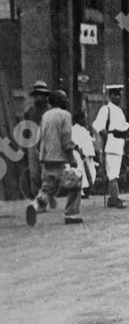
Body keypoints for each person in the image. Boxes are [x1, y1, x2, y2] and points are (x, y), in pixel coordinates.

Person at [26, 90, 82, 226]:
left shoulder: (46, 116)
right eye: (65, 98)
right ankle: (72, 214)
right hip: (60, 158)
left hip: (46, 158)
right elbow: (66, 137)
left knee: (48, 187)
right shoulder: (65, 115)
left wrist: (42, 154)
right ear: (59, 101)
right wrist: (71, 157)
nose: (67, 100)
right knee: (75, 184)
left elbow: (39, 138)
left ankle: (34, 206)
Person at [92, 83, 129, 209]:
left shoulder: (119, 111)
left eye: (120, 94)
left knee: (115, 173)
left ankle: (113, 197)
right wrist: (104, 134)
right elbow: (97, 125)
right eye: (116, 94)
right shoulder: (105, 109)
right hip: (111, 144)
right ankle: (115, 198)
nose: (119, 97)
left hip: (119, 144)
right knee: (112, 174)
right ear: (110, 95)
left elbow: (124, 126)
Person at [23, 80, 51, 195]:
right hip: (32, 144)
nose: (39, 97)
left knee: (45, 174)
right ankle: (37, 198)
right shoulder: (29, 111)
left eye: (41, 94)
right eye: (37, 94)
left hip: (47, 144)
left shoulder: (50, 111)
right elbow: (25, 129)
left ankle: (44, 199)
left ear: (45, 96)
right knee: (34, 174)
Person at [71, 110, 97, 197]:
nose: (85, 120)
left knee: (90, 172)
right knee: (80, 172)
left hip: (88, 154)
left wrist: (91, 132)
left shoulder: (84, 129)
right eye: (84, 118)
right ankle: (80, 191)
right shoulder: (75, 129)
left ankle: (87, 190)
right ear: (79, 119)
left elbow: (91, 140)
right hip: (80, 154)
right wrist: (80, 151)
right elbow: (75, 142)